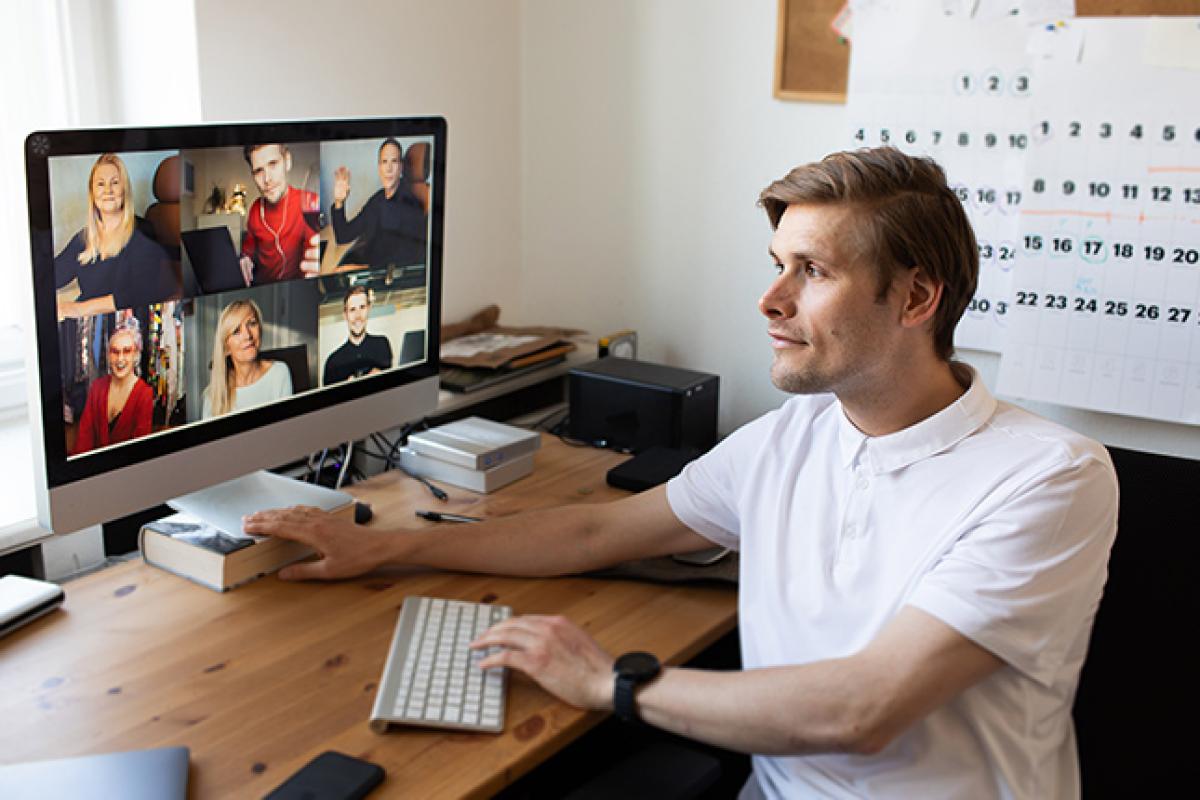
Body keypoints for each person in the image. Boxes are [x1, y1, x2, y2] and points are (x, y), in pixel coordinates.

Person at [245, 148, 1118, 799]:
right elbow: (597, 530)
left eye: (811, 272)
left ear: (917, 299)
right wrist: (386, 547)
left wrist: (607, 683)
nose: (771, 301)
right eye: (776, 266)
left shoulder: (1049, 477)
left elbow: (863, 708)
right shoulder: (795, 435)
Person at [54, 153, 180, 319]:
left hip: (124, 325)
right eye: (100, 184)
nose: (108, 190)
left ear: (124, 190)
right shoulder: (83, 238)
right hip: (87, 322)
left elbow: (141, 292)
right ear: (92, 193)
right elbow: (54, 275)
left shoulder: (142, 232)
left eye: (115, 182)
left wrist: (80, 309)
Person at [330, 138, 427, 270]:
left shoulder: (410, 204)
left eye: (394, 161)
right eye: (384, 162)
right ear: (379, 167)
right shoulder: (378, 199)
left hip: (382, 277)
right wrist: (339, 202)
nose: (388, 169)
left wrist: (362, 269)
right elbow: (343, 236)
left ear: (401, 168)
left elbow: (405, 262)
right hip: (368, 266)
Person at [239, 143, 320, 285]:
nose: (267, 179)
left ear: (287, 161)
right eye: (258, 171)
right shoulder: (255, 209)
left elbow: (320, 247)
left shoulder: (310, 203)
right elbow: (248, 251)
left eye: (273, 164)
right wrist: (245, 259)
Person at [71, 321, 154, 454]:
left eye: (127, 351)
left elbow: (140, 448)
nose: (120, 359)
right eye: (115, 352)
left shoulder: (144, 394)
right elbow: (84, 437)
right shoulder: (97, 387)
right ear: (109, 355)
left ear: (136, 355)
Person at [202, 299, 293, 419]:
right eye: (236, 331)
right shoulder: (213, 394)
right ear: (226, 347)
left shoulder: (279, 373)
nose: (248, 335)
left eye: (252, 323)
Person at [322, 285, 393, 384]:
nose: (358, 316)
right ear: (345, 315)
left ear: (368, 309)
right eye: (352, 309)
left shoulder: (382, 345)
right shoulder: (333, 363)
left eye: (362, 307)